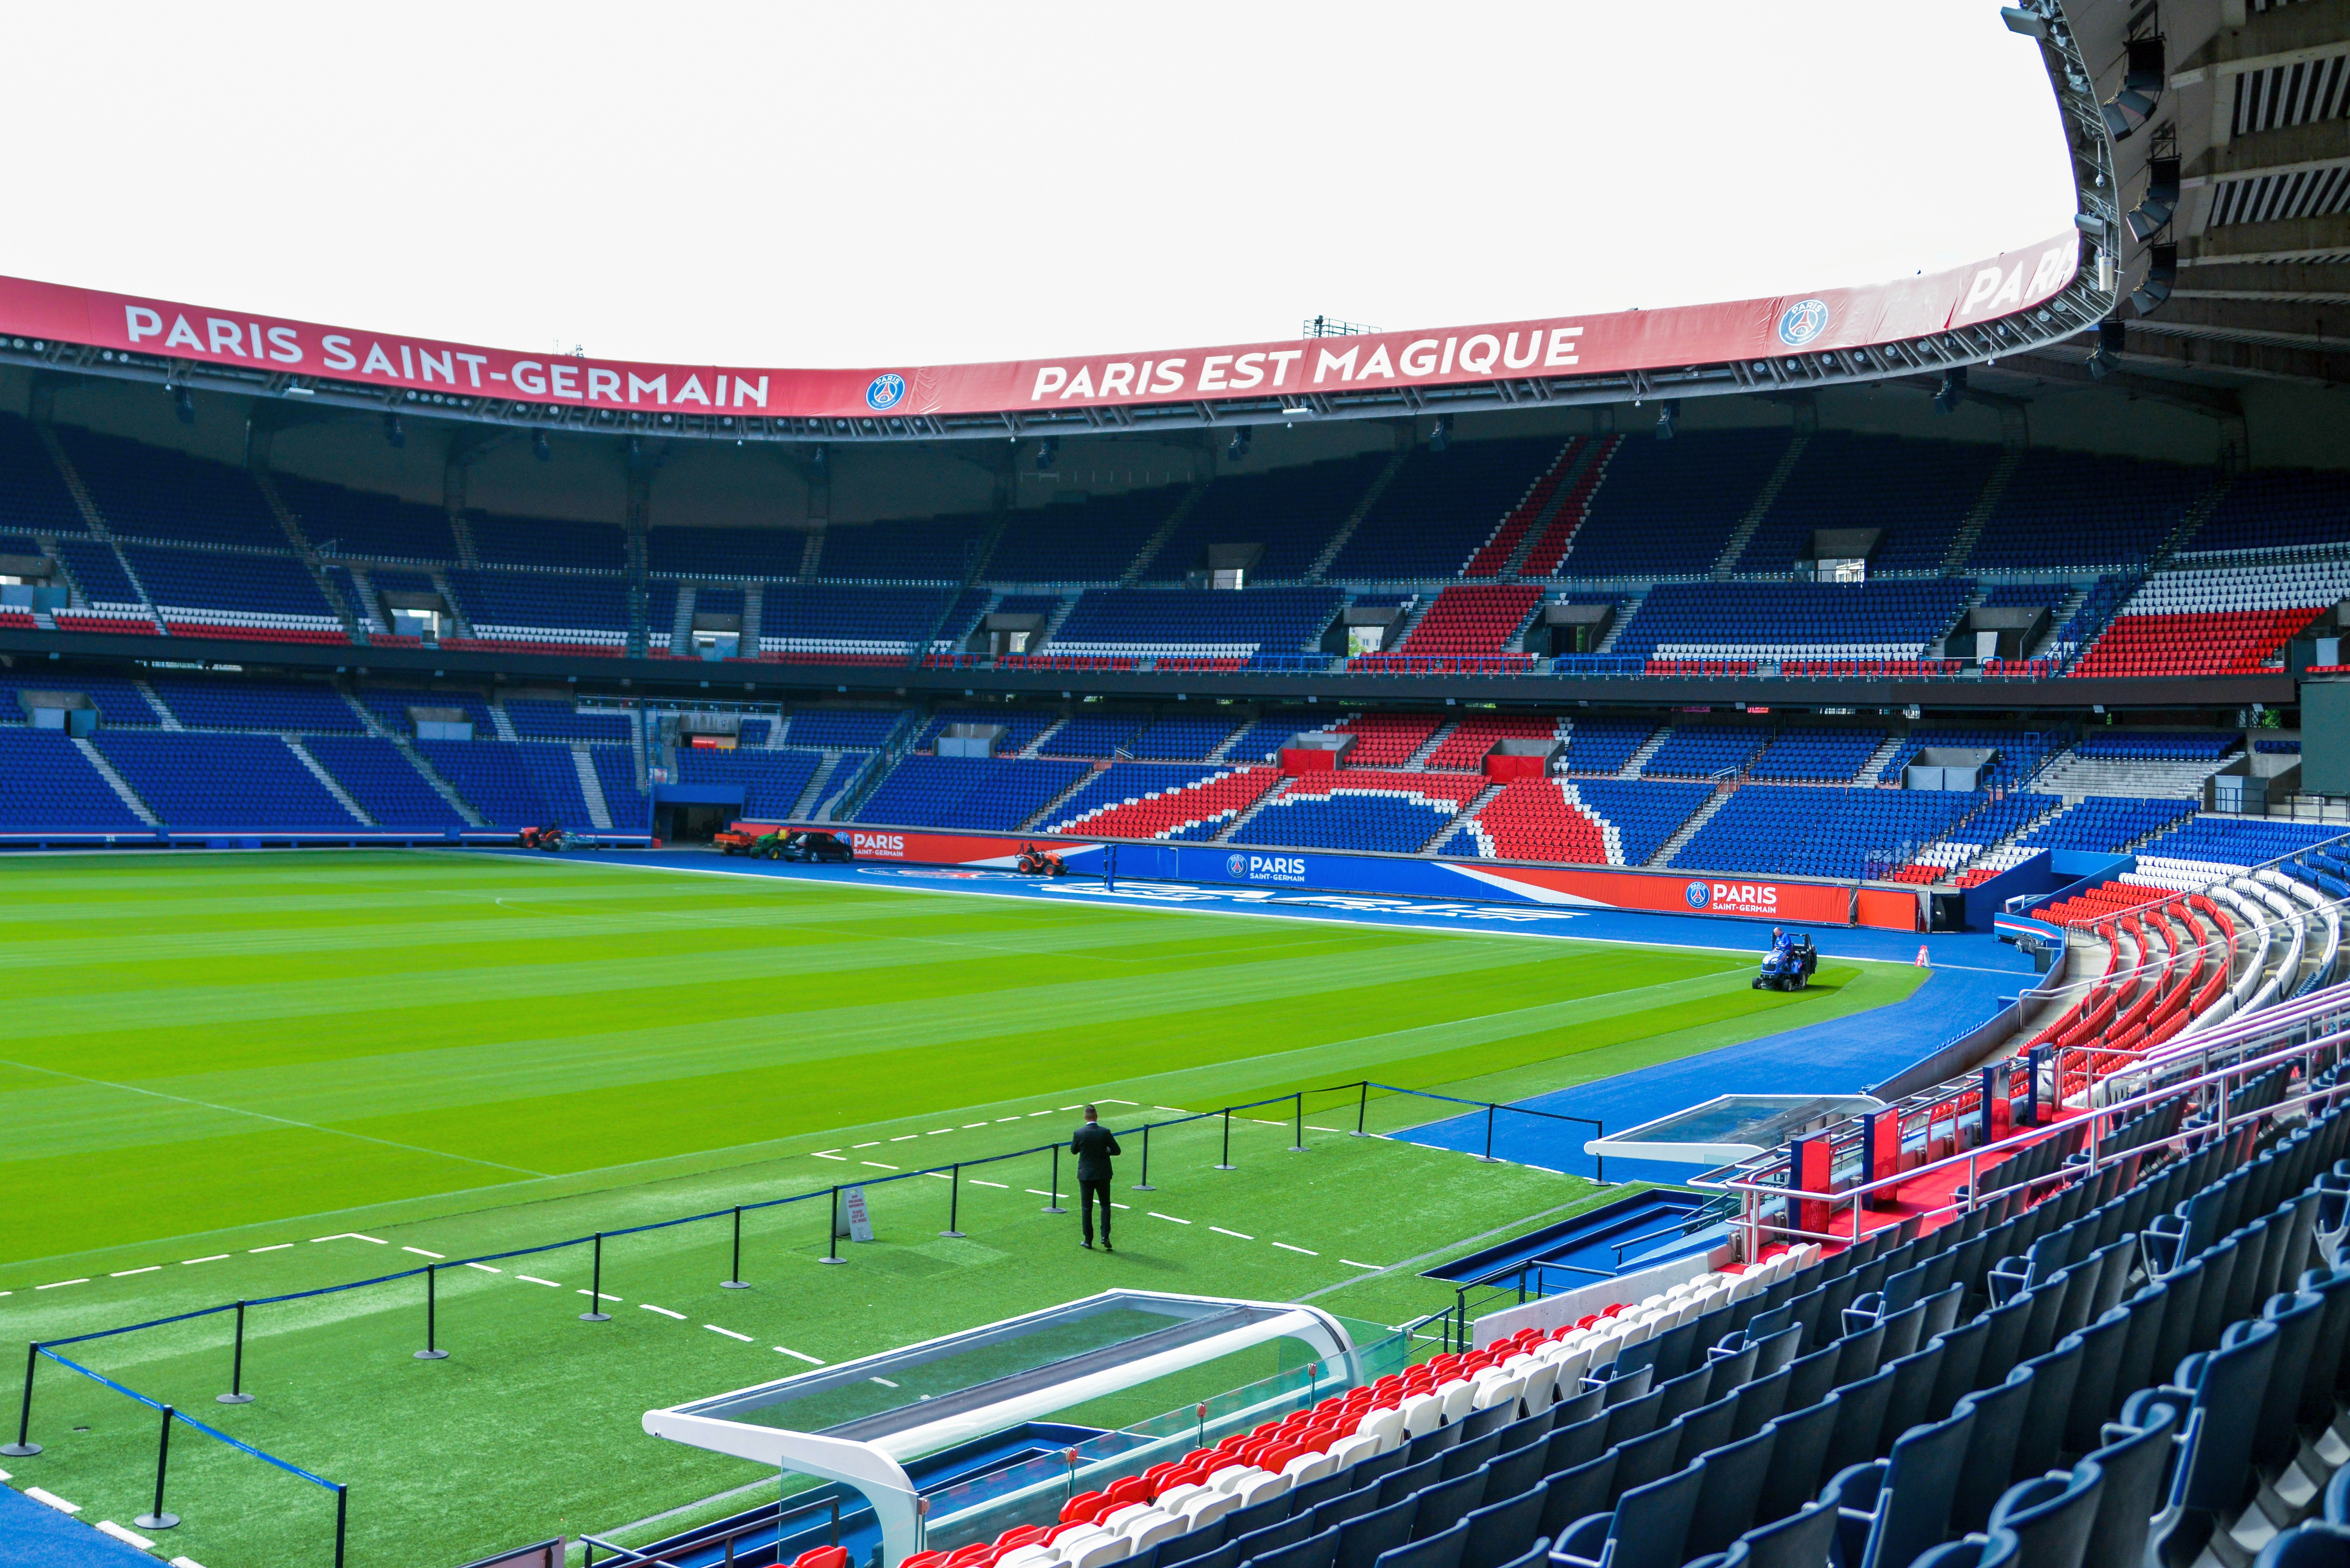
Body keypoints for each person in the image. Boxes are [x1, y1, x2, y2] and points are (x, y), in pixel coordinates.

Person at [1070, 1105, 1122, 1251]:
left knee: (1087, 1207)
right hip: (1103, 1174)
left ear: (1085, 1117)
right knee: (1105, 1205)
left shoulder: (1079, 1133)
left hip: (1085, 1175)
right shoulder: (1105, 1132)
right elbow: (1117, 1151)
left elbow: (1074, 1151)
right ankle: (1105, 1236)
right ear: (1097, 1117)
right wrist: (1106, 1151)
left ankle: (1088, 1240)